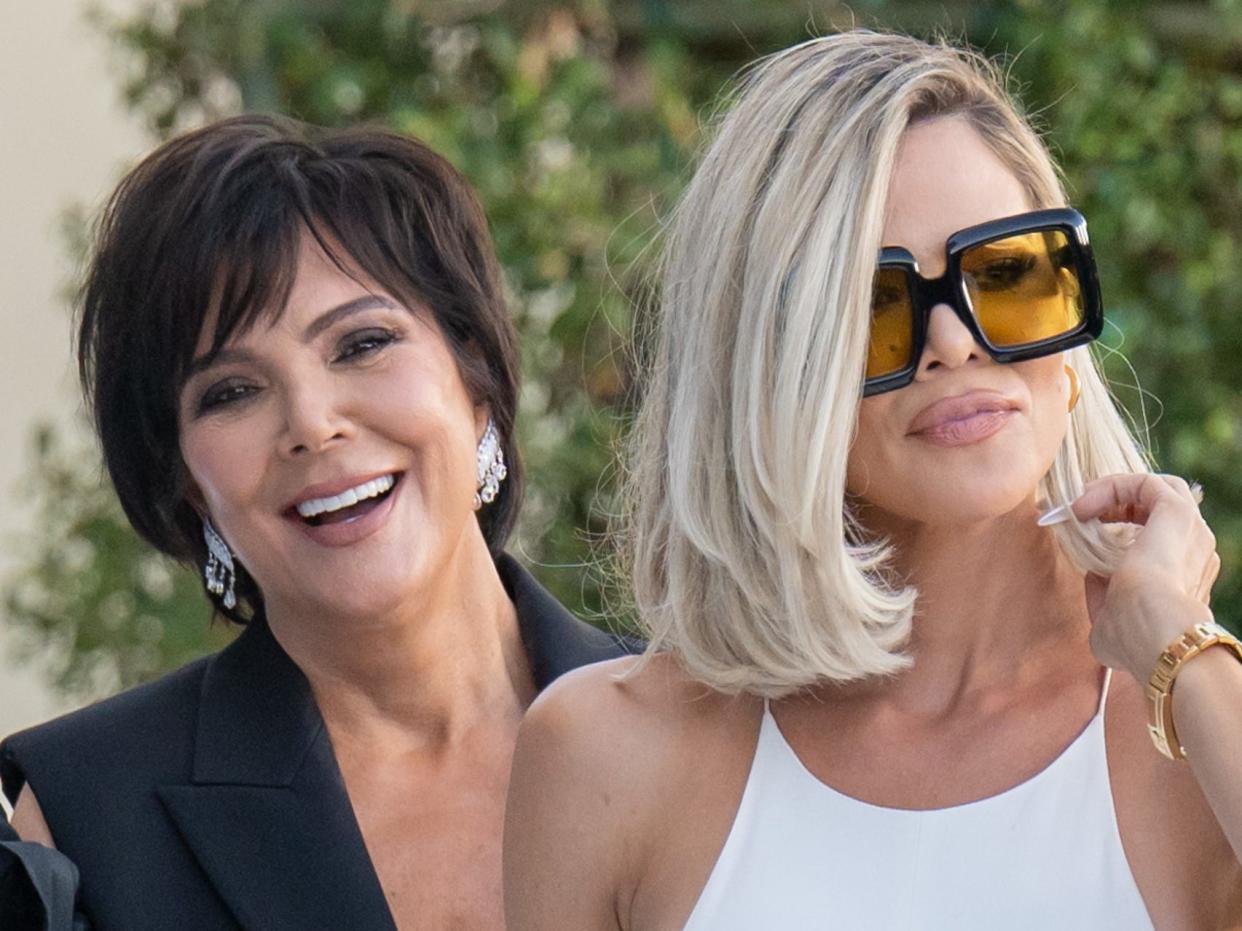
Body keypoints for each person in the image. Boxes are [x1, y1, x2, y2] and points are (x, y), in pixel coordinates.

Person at [504, 31, 1242, 929]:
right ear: (763, 379)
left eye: (1006, 277)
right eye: (871, 309)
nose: (956, 343)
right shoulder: (607, 756)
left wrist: (1178, 647)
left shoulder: (1195, 734)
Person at [0, 114, 634, 930]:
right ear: (187, 482)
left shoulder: (719, 727)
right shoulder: (89, 821)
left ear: (474, 380)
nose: (312, 422)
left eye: (362, 343)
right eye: (231, 391)